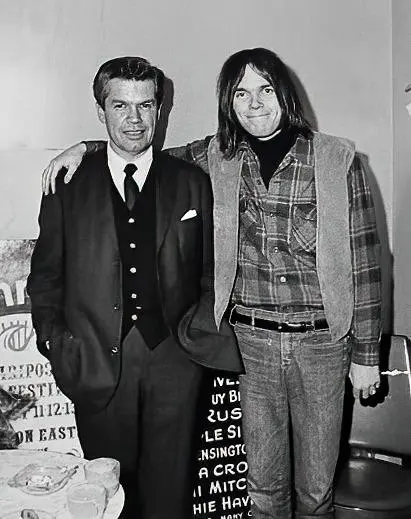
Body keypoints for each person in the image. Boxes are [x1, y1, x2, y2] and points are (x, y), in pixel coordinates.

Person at [41, 48, 382, 519]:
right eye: (241, 93)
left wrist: (367, 355)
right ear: (229, 102)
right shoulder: (218, 155)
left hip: (321, 344)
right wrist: (87, 147)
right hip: (252, 343)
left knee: (316, 491)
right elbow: (137, 150)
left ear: (285, 94)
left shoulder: (337, 159)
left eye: (265, 90)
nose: (254, 104)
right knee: (262, 491)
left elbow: (366, 264)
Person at [27, 56, 242, 519]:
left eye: (145, 105)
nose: (134, 119)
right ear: (100, 111)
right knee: (109, 500)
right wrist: (56, 344)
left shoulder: (191, 181)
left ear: (160, 110)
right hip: (94, 361)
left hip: (175, 361)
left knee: (170, 496)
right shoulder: (67, 184)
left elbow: (213, 270)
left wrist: (196, 342)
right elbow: (45, 278)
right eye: (120, 105)